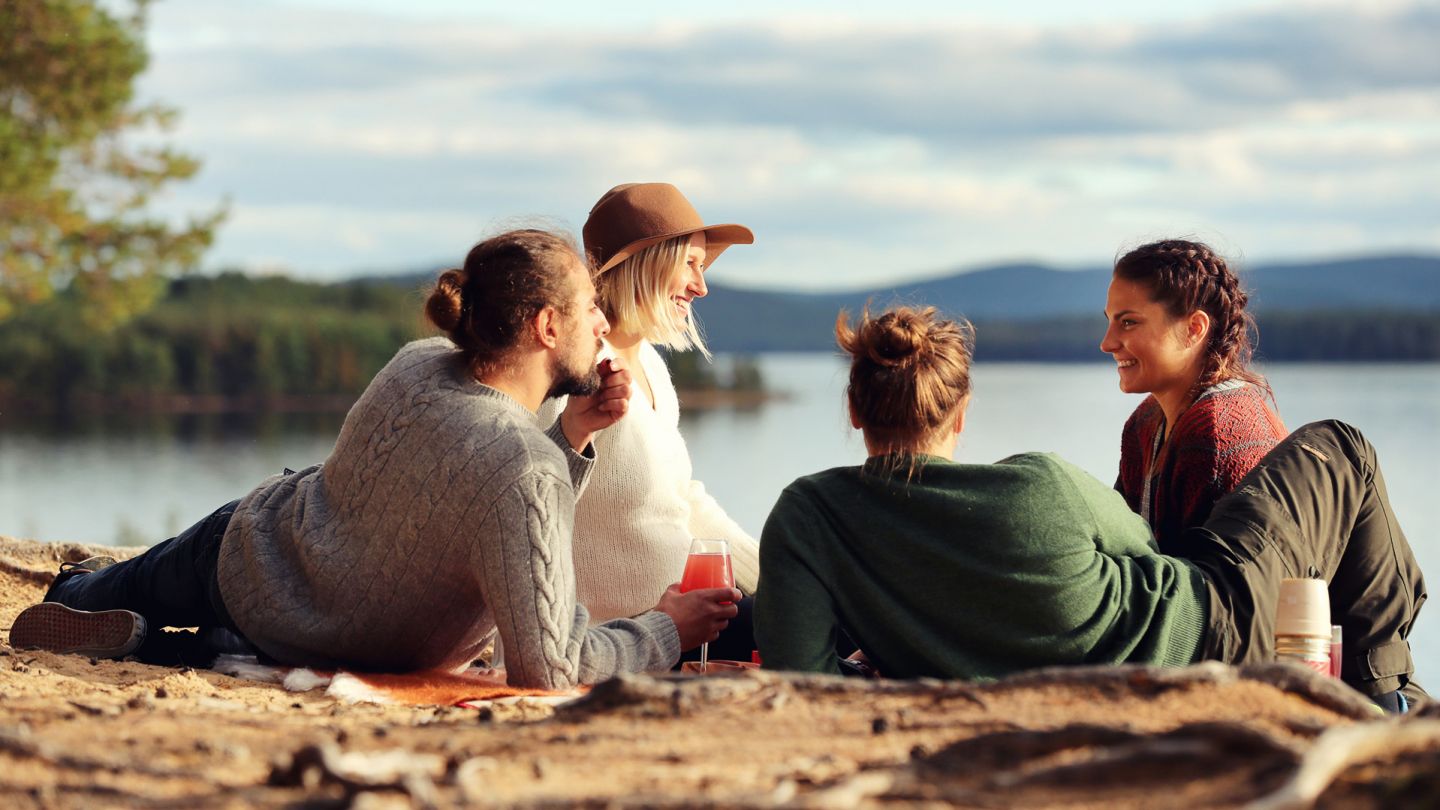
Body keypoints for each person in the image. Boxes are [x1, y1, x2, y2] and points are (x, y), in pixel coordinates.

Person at [9, 228, 740, 690]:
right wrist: (667, 627)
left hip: (254, 562)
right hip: (337, 637)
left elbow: (460, 483)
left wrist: (571, 435)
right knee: (217, 642)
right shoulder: (525, 471)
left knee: (99, 592)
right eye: (589, 310)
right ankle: (133, 629)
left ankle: (88, 601)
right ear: (548, 326)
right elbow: (548, 664)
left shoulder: (418, 366)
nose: (603, 324)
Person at [754, 305, 1425, 711]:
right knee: (1343, 448)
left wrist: (913, 644)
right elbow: (1150, 546)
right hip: (1214, 628)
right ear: (960, 415)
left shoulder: (808, 516)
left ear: (852, 410)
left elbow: (804, 680)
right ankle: (1386, 692)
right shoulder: (1042, 484)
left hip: (1138, 668)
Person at [538, 182, 760, 662]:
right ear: (648, 264)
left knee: (828, 617)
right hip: (621, 638)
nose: (701, 286)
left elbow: (683, 499)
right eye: (691, 264)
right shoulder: (578, 369)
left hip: (684, 617)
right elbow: (529, 494)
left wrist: (779, 576)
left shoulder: (653, 368)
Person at [1101, 239, 1287, 554]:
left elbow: (1217, 596)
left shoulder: (1217, 434)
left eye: (1129, 322)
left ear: (1194, 329)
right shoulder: (1145, 422)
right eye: (1110, 321)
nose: (1107, 343)